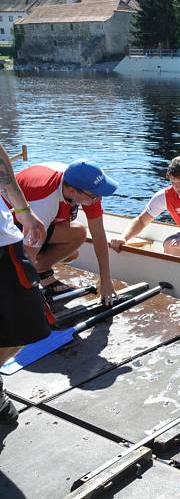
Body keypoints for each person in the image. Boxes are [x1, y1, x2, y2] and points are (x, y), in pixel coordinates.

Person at [12, 159, 119, 305]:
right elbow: (27, 255)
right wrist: (27, 298)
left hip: (38, 219)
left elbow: (98, 234)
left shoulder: (86, 188)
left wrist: (106, 279)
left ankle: (41, 270)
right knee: (22, 281)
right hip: (8, 228)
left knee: (77, 237)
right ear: (71, 192)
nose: (99, 199)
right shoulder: (45, 199)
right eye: (95, 196)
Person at [0, 144, 51, 425]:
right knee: (29, 323)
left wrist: (24, 211)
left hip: (4, 244)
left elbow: (3, 174)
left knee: (28, 326)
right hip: (3, 248)